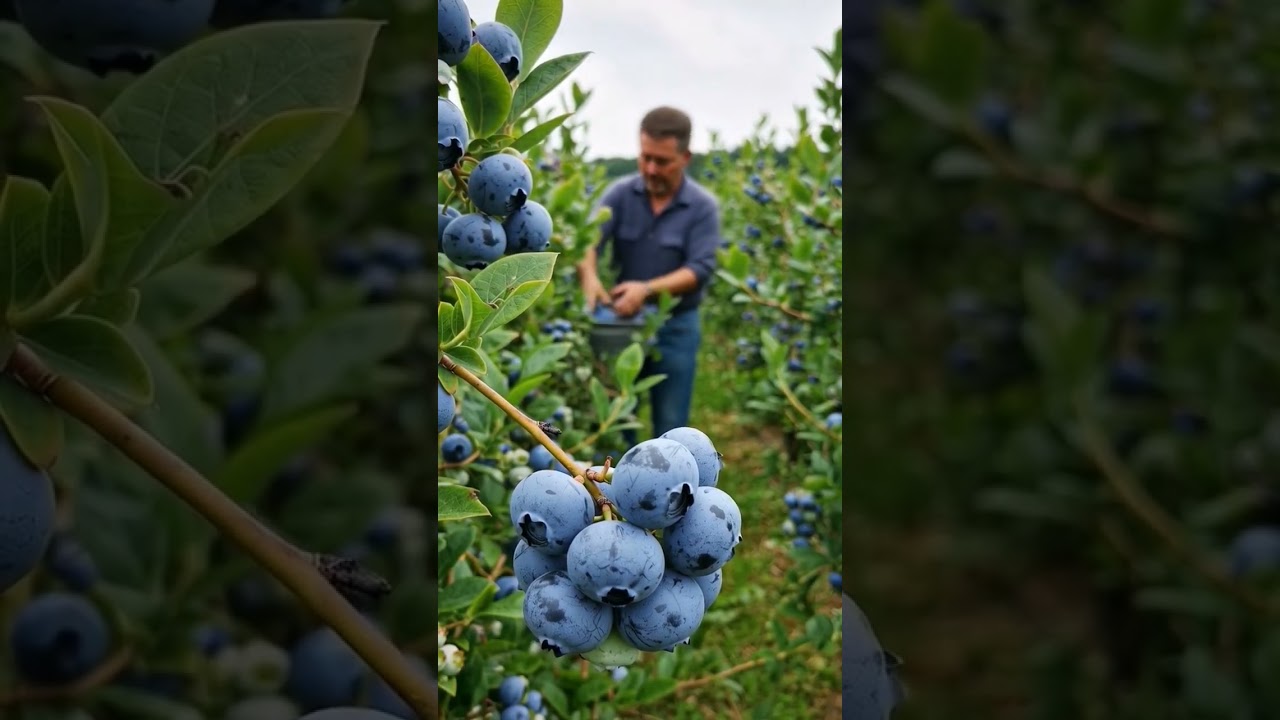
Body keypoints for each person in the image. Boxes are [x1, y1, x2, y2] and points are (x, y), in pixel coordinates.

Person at [576, 106, 722, 440]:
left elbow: (700, 268)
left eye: (662, 161)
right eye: (645, 158)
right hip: (623, 324)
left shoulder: (702, 206)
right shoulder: (621, 193)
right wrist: (590, 276)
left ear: (685, 157)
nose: (651, 169)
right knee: (616, 418)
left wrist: (645, 289)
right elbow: (588, 239)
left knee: (671, 425)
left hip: (676, 328)